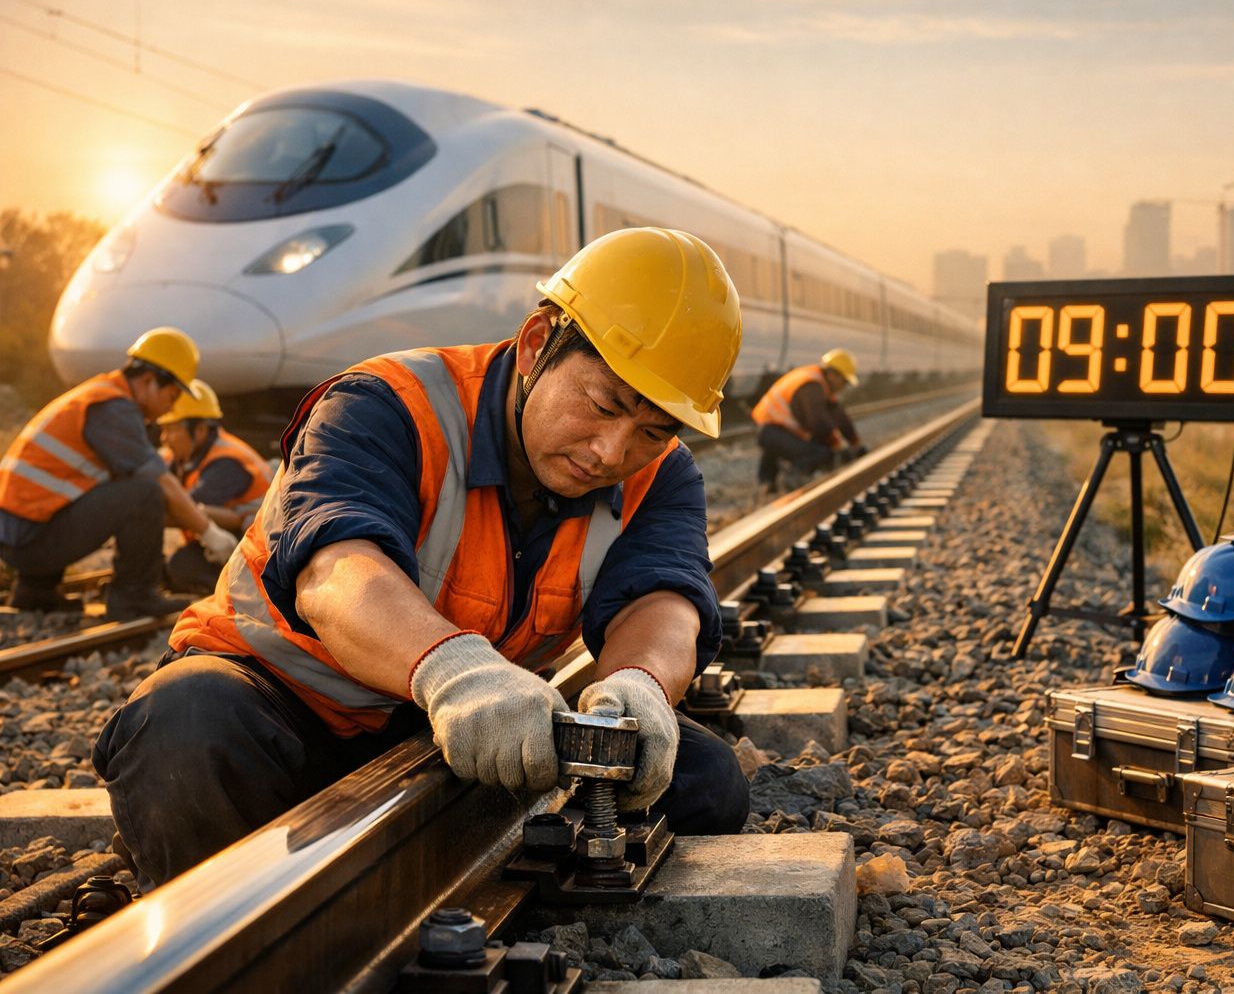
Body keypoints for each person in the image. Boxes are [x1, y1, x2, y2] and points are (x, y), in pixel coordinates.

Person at [93, 228, 752, 887]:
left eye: (653, 429)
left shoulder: (661, 474)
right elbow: (336, 571)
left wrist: (643, 685)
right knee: (184, 720)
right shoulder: (386, 407)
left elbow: (662, 594)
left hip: (442, 728)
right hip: (285, 715)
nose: (612, 452)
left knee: (706, 782)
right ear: (534, 345)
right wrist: (456, 673)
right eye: (602, 403)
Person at [0, 328, 240, 619]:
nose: (171, 407)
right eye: (173, 395)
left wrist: (194, 522)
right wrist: (209, 532)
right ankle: (134, 596)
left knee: (117, 490)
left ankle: (35, 591)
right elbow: (160, 483)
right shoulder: (114, 409)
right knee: (144, 492)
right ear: (149, 381)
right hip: (29, 541)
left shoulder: (98, 396)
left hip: (19, 535)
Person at [158, 380, 275, 594]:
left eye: (171, 429)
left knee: (182, 566)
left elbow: (181, 511)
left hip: (262, 549)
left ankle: (247, 591)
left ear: (200, 430)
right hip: (233, 534)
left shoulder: (227, 463)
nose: (163, 438)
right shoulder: (182, 455)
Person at [752, 347, 866, 492]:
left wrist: (856, 442)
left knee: (792, 446)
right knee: (822, 452)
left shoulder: (818, 382)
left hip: (773, 431)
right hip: (770, 431)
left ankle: (767, 485)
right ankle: (794, 477)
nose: (844, 386)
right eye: (844, 381)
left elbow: (839, 415)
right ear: (832, 374)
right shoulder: (811, 386)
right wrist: (838, 445)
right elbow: (818, 423)